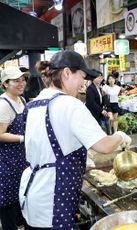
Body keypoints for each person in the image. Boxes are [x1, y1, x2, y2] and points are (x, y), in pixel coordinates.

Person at [19, 51, 131, 229]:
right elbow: (104, 146)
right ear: (66, 73)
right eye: (82, 76)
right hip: (54, 199)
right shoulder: (70, 104)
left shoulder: (34, 103)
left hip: (34, 195)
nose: (83, 83)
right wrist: (121, 136)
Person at [0, 66, 28, 229]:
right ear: (5, 84)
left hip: (21, 159)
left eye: (23, 79)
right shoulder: (3, 105)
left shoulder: (21, 100)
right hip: (7, 162)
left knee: (20, 197)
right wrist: (24, 138)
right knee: (8, 202)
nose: (21, 83)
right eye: (16, 81)